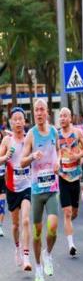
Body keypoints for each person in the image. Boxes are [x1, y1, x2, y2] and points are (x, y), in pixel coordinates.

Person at [21, 99, 60, 281]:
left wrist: (58, 162)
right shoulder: (31, 135)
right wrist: (32, 156)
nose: (38, 113)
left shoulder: (54, 132)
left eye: (41, 109)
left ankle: (48, 254)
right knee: (37, 232)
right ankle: (38, 268)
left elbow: (58, 152)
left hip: (52, 188)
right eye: (36, 110)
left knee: (52, 227)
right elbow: (22, 162)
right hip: (36, 190)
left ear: (47, 112)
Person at [0, 107, 32, 270]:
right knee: (15, 225)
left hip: (27, 185)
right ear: (11, 122)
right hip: (12, 186)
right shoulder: (7, 141)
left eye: (21, 119)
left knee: (25, 220)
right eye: (15, 119)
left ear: (24, 121)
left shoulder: (29, 139)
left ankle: (26, 257)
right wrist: (6, 157)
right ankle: (17, 247)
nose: (18, 122)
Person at [58, 107, 83, 257]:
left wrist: (77, 156)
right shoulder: (56, 135)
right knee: (67, 212)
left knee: (74, 212)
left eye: (65, 116)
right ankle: (71, 245)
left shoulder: (77, 133)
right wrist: (56, 163)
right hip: (63, 177)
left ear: (70, 118)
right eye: (60, 116)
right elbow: (54, 153)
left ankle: (68, 223)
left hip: (75, 177)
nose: (62, 118)